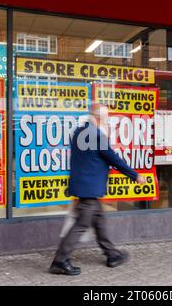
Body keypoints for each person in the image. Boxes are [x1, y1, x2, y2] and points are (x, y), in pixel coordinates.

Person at [49, 104, 146, 275]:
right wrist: (135, 175)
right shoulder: (96, 136)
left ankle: (112, 254)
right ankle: (60, 260)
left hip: (83, 185)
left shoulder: (78, 132)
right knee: (81, 224)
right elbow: (114, 159)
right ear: (100, 118)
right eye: (106, 119)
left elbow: (89, 158)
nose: (107, 122)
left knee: (99, 220)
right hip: (89, 188)